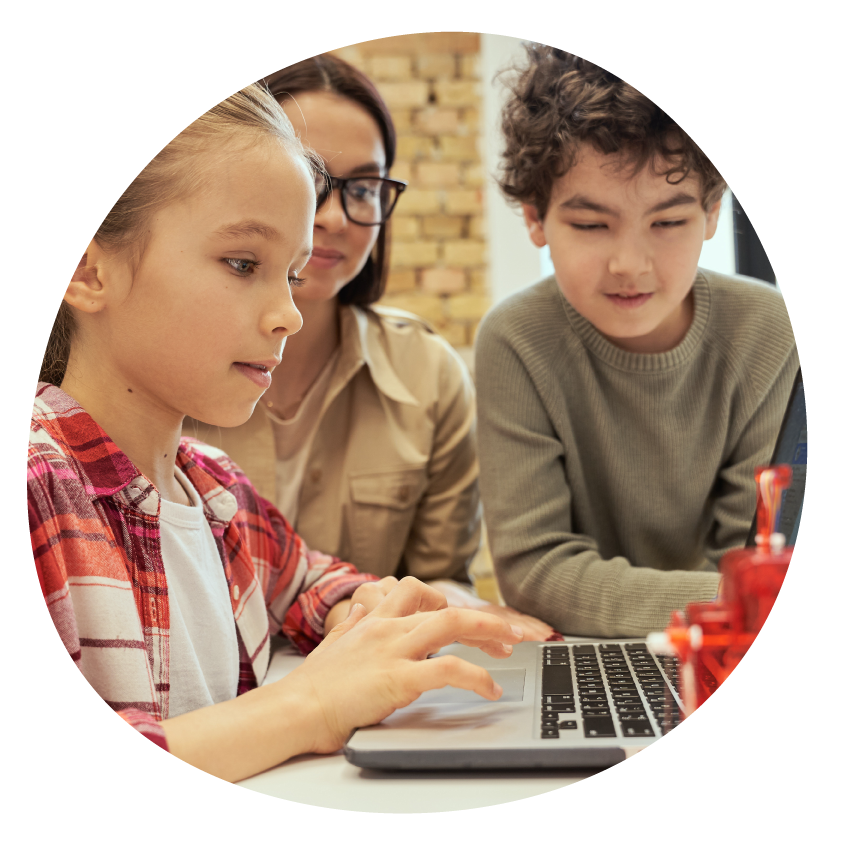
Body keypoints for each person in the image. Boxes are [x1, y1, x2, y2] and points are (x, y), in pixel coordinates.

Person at [30, 82, 524, 783]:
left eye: (290, 276)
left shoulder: (214, 489)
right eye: (243, 265)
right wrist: (310, 702)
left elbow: (308, 580)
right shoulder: (40, 486)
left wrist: (369, 607)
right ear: (88, 267)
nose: (288, 314)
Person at [184, 55, 555, 640]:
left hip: (373, 689)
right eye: (309, 178)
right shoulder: (159, 366)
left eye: (363, 187)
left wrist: (461, 613)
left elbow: (439, 580)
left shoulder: (428, 374)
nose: (332, 216)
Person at [475, 46, 799, 638]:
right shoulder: (515, 340)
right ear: (535, 220)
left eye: (669, 223)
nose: (630, 264)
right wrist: (729, 597)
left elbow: (752, 554)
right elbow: (534, 571)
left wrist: (737, 597)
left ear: (711, 214)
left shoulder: (769, 331)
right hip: (585, 655)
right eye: (592, 225)